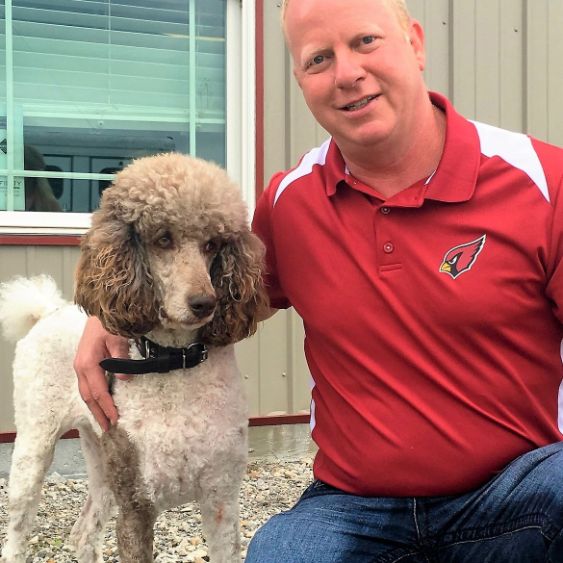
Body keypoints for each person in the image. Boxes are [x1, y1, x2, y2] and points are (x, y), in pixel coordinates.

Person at [74, 0, 562, 560]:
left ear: (417, 44)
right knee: (280, 552)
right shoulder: (288, 203)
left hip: (516, 494)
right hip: (356, 505)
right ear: (302, 82)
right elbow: (213, 297)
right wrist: (102, 315)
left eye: (366, 42)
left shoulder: (543, 181)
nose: (347, 72)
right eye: (319, 58)